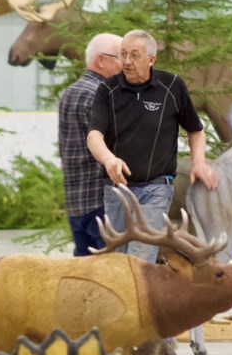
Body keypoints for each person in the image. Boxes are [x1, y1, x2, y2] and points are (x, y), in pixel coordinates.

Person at [87, 29, 218, 263]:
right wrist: (109, 159)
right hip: (117, 190)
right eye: (122, 54)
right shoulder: (107, 90)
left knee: (140, 259)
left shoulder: (172, 86)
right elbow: (94, 135)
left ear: (151, 59)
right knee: (117, 261)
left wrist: (199, 162)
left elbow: (195, 130)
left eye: (134, 55)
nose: (126, 61)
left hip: (156, 189)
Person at [58, 33, 124, 256]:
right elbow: (115, 149)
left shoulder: (70, 93)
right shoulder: (102, 95)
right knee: (110, 273)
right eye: (120, 56)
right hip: (103, 202)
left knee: (83, 274)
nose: (126, 63)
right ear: (101, 60)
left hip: (76, 201)